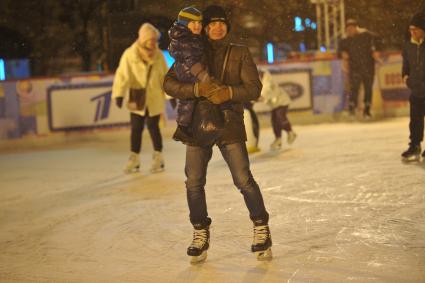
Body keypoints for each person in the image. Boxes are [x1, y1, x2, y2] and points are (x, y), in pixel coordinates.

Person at [163, 5, 272, 263]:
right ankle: (200, 232)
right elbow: (167, 84)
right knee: (194, 182)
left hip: (229, 122)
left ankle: (261, 229)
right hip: (196, 125)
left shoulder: (239, 52)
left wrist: (230, 93)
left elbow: (254, 88)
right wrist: (197, 90)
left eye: (221, 23)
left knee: (243, 179)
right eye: (212, 23)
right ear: (205, 26)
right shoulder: (192, 51)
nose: (217, 27)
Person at [112, 23, 168, 174]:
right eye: (151, 40)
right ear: (143, 39)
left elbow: (165, 77)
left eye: (155, 40)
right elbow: (122, 75)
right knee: (136, 129)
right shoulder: (130, 54)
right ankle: (134, 158)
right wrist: (119, 93)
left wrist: (170, 95)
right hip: (137, 97)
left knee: (153, 127)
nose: (153, 43)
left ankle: (158, 157)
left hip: (154, 97)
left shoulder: (159, 55)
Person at [339, 19, 382, 119]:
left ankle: (367, 111)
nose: (349, 31)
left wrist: (376, 51)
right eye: (347, 29)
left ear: (356, 27)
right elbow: (341, 50)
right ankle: (351, 110)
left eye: (351, 29)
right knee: (354, 89)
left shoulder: (366, 34)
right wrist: (343, 54)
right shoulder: (345, 39)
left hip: (368, 67)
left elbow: (378, 40)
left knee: (368, 89)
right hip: (354, 68)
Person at [401, 13, 425, 162]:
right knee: (415, 120)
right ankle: (415, 145)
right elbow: (406, 65)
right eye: (411, 29)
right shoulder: (408, 45)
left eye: (415, 29)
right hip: (416, 89)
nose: (413, 32)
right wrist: (405, 77)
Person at [260, 70, 297, 150]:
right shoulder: (260, 81)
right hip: (274, 104)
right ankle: (278, 139)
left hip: (282, 101)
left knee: (280, 116)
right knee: (274, 121)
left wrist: (258, 97)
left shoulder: (267, 80)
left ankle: (291, 132)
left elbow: (265, 90)